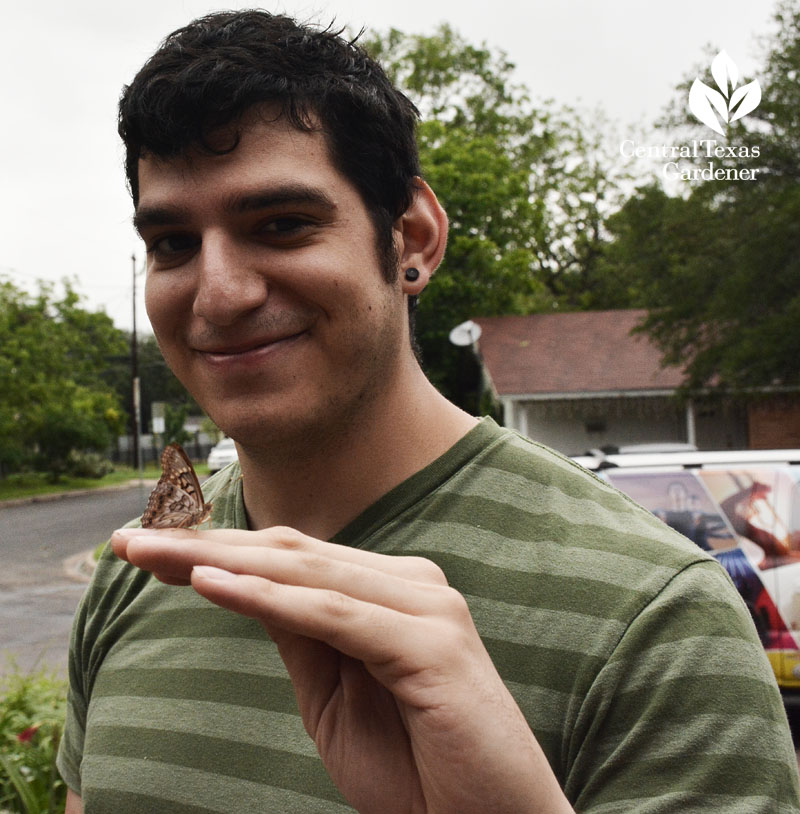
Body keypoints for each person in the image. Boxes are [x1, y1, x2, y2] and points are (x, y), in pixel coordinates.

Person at [57, 10, 800, 813]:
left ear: (412, 236)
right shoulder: (139, 575)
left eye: (281, 225)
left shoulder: (659, 619)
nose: (220, 293)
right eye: (172, 243)